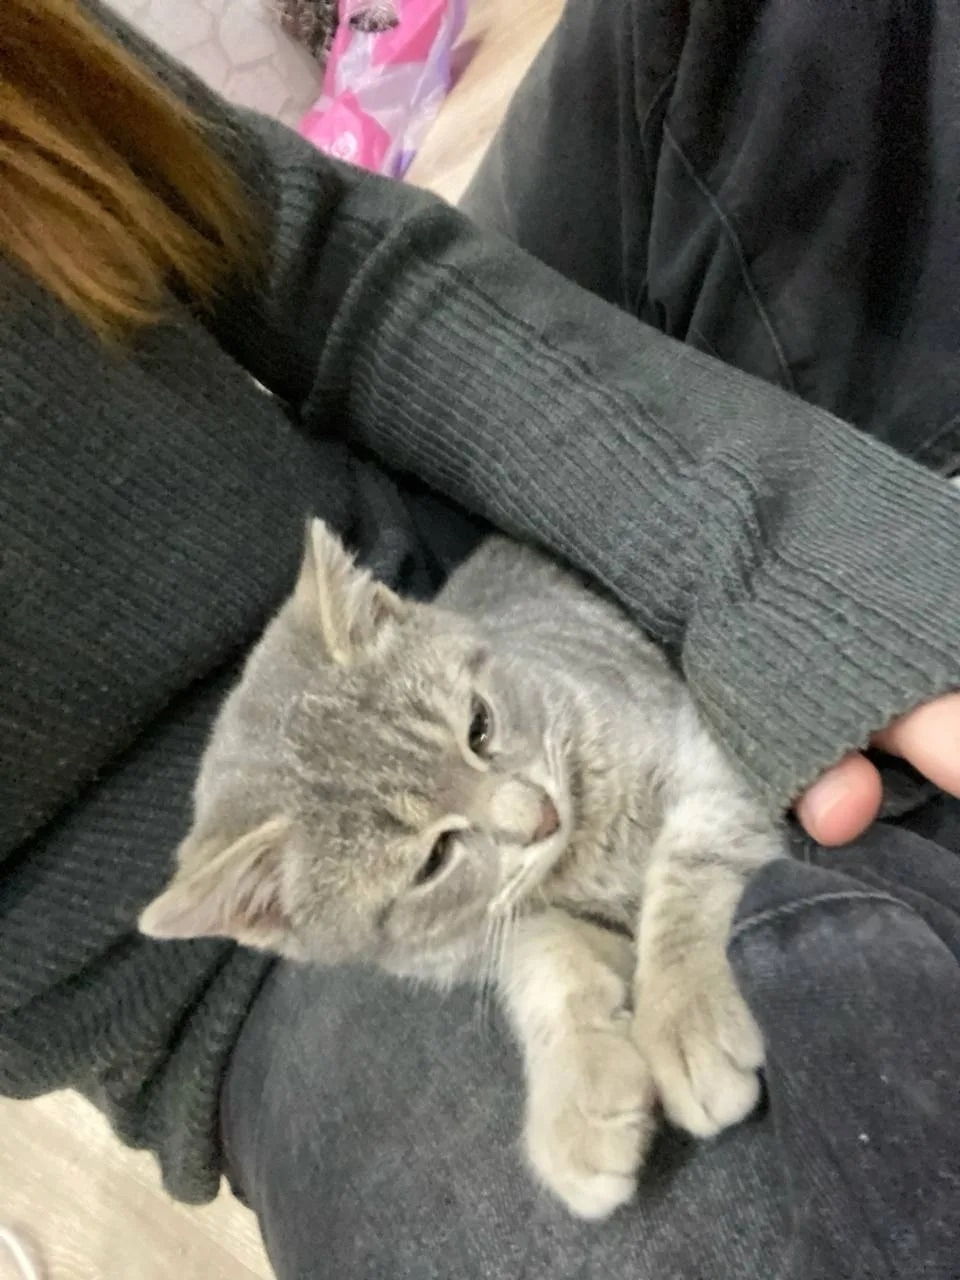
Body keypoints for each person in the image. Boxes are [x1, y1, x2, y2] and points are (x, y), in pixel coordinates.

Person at [2, 0, 959, 1275]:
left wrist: (761, 548)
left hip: (388, 576)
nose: (527, 815)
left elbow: (307, 252)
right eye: (448, 842)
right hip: (198, 972)